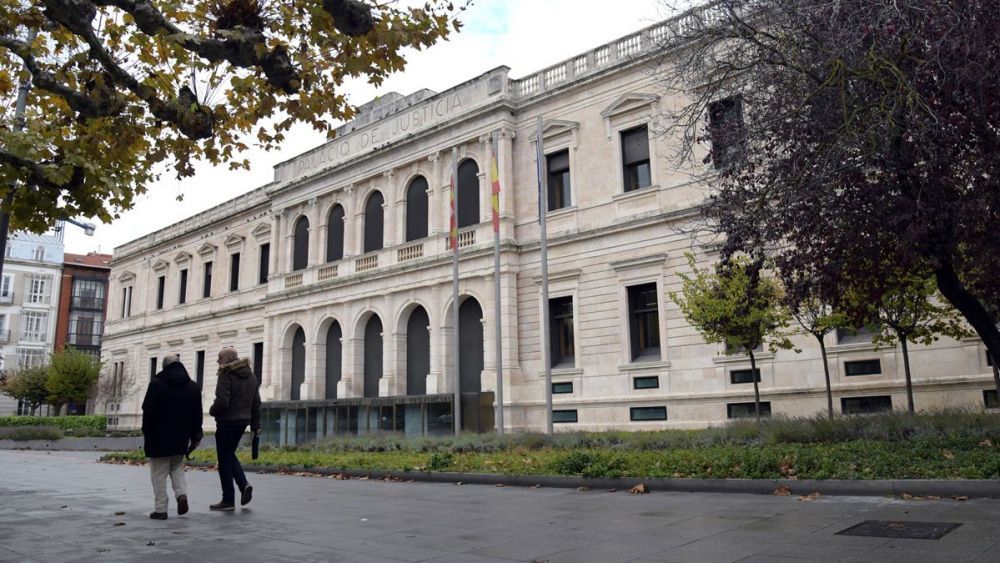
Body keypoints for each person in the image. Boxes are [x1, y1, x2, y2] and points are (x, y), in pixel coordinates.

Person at [141, 354, 203, 520]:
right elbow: (197, 415)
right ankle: (181, 494)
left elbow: (148, 412)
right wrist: (196, 435)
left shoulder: (156, 384)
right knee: (177, 468)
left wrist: (146, 432)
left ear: (164, 367)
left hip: (158, 437)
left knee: (159, 474)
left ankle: (160, 509)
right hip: (181, 437)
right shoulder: (193, 387)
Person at [208, 347, 261, 511]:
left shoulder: (226, 374)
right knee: (228, 454)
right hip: (243, 422)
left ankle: (228, 499)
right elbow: (256, 403)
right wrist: (255, 425)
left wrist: (212, 411)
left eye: (220, 357)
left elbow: (222, 402)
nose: (218, 360)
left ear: (228, 359)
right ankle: (243, 485)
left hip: (226, 422)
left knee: (224, 459)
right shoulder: (251, 376)